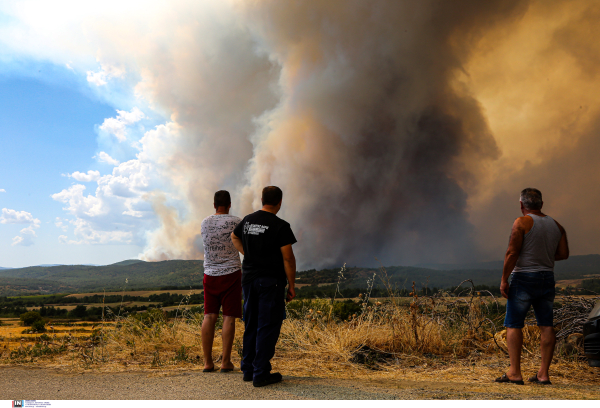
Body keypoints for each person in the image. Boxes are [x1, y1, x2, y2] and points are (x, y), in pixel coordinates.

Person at [496, 188, 569, 385]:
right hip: (547, 278)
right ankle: (543, 374)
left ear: (521, 205)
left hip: (523, 278)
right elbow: (563, 254)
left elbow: (512, 252)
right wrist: (542, 255)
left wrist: (504, 279)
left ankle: (515, 373)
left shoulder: (521, 222)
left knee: (514, 324)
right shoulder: (557, 226)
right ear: (541, 205)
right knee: (546, 325)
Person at [231, 186, 297, 387]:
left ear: (261, 200)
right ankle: (261, 373)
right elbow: (288, 258)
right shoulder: (281, 226)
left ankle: (248, 369)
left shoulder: (248, 220)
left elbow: (234, 236)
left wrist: (248, 254)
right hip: (270, 282)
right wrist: (291, 286)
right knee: (268, 325)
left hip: (249, 280)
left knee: (251, 323)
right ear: (280, 202)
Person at [200, 190, 242, 373]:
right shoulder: (237, 222)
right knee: (229, 317)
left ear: (214, 204)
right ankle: (226, 362)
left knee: (209, 315)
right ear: (229, 204)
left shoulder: (204, 222)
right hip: (231, 273)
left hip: (210, 274)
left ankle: (208, 362)